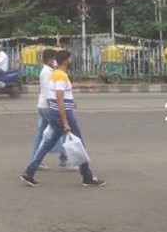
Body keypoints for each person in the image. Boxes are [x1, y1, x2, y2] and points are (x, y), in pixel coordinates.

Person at [21, 50, 106, 187]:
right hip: (65, 115)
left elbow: (52, 97)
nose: (72, 61)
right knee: (79, 144)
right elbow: (59, 97)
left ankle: (29, 173)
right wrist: (65, 121)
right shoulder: (60, 76)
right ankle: (87, 177)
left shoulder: (55, 74)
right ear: (66, 61)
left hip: (56, 113)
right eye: (70, 59)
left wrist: (69, 101)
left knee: (47, 144)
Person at [30, 49, 69, 170]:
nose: (55, 61)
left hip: (42, 106)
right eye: (54, 59)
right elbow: (48, 93)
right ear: (48, 60)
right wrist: (54, 109)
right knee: (62, 130)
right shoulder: (47, 73)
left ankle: (35, 161)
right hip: (47, 107)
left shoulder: (48, 71)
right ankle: (64, 158)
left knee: (40, 134)